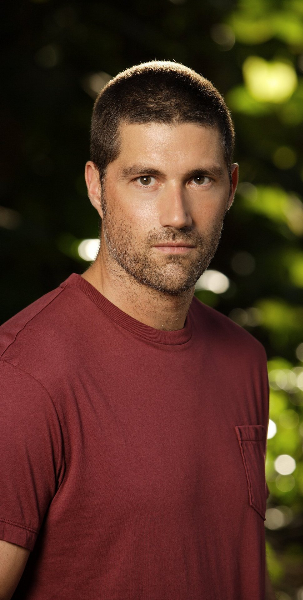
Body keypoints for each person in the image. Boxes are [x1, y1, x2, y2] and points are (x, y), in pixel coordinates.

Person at [0, 61, 274, 600]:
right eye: (145, 179)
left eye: (199, 179)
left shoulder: (245, 359)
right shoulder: (23, 378)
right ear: (96, 186)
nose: (177, 215)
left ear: (231, 186)